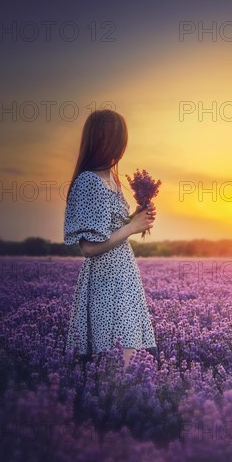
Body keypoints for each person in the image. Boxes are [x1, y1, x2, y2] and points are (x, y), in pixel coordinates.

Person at [63, 109, 157, 369]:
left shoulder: (113, 180)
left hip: (124, 276)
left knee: (128, 359)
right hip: (105, 281)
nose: (122, 145)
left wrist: (134, 219)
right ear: (105, 140)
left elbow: (110, 227)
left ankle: (120, 406)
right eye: (119, 138)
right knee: (117, 361)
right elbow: (89, 247)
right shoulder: (88, 182)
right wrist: (131, 228)